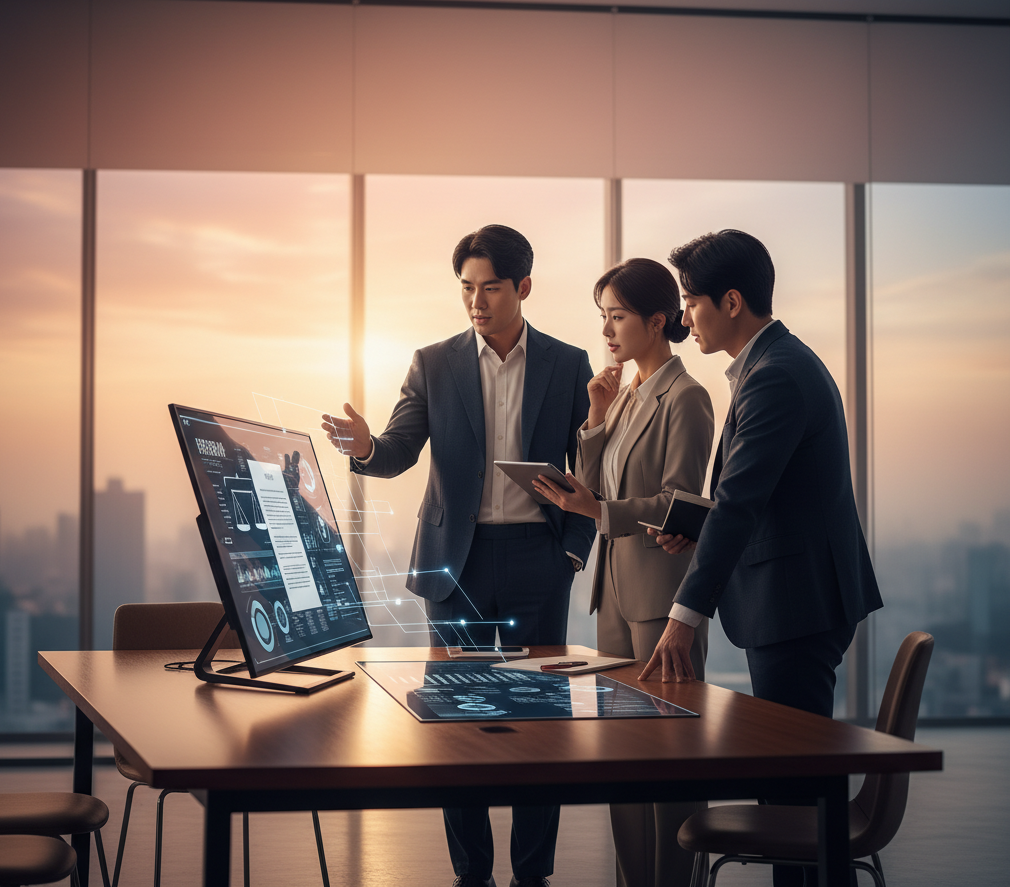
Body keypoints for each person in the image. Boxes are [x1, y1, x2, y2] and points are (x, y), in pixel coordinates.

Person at [322, 224, 595, 887]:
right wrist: (364, 446)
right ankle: (471, 876)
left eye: (490, 288)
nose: (476, 300)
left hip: (538, 559)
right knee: (458, 729)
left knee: (539, 731)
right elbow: (398, 451)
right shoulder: (433, 362)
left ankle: (533, 876)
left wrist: (571, 555)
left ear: (522, 287)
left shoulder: (568, 363)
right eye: (467, 288)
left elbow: (593, 466)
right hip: (456, 566)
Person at [639, 229, 883, 887]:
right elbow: (758, 494)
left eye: (691, 302)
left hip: (796, 604)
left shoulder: (773, 378)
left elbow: (743, 504)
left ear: (733, 301)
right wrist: (696, 524)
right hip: (792, 596)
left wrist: (681, 617)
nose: (685, 316)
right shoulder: (772, 365)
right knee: (794, 792)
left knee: (797, 804)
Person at [533, 257, 714, 887]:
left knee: (667, 758)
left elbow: (682, 504)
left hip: (661, 598)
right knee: (624, 759)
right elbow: (591, 489)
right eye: (602, 317)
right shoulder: (629, 391)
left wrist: (601, 509)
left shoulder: (685, 397)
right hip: (612, 593)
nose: (607, 331)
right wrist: (594, 421)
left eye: (618, 317)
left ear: (657, 320)